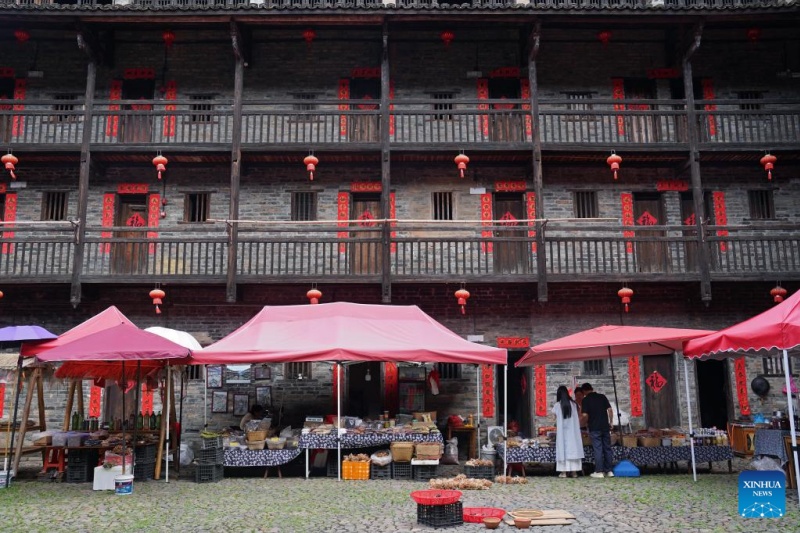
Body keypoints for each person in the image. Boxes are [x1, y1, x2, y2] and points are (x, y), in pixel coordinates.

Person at [580, 383, 615, 478]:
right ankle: (609, 471)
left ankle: (599, 471)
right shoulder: (602, 397)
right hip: (605, 426)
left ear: (584, 391)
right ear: (592, 389)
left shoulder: (586, 400)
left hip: (594, 428)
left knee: (598, 449)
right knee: (607, 448)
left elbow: (585, 415)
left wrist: (581, 424)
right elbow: (610, 410)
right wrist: (611, 422)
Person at [552, 385, 584, 478]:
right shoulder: (574, 405)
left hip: (563, 433)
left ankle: (564, 472)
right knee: (573, 449)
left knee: (563, 449)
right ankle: (574, 472)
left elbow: (554, 417)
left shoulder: (557, 405)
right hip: (573, 433)